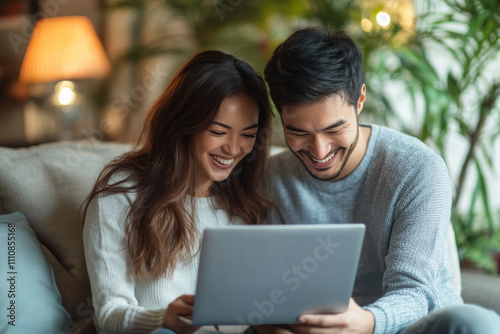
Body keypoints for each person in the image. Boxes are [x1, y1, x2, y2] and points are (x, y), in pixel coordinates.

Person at [260, 27, 500, 334]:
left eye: (334, 130)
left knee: (477, 324)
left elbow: (415, 293)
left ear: (359, 100)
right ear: (282, 117)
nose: (319, 151)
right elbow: (269, 292)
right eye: (299, 132)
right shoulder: (273, 178)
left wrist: (366, 322)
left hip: (410, 327)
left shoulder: (416, 169)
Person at [81, 50, 274, 334]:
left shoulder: (244, 199)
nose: (234, 149)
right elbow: (108, 314)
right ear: (185, 123)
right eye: (219, 131)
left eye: (248, 134)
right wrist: (162, 319)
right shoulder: (121, 195)